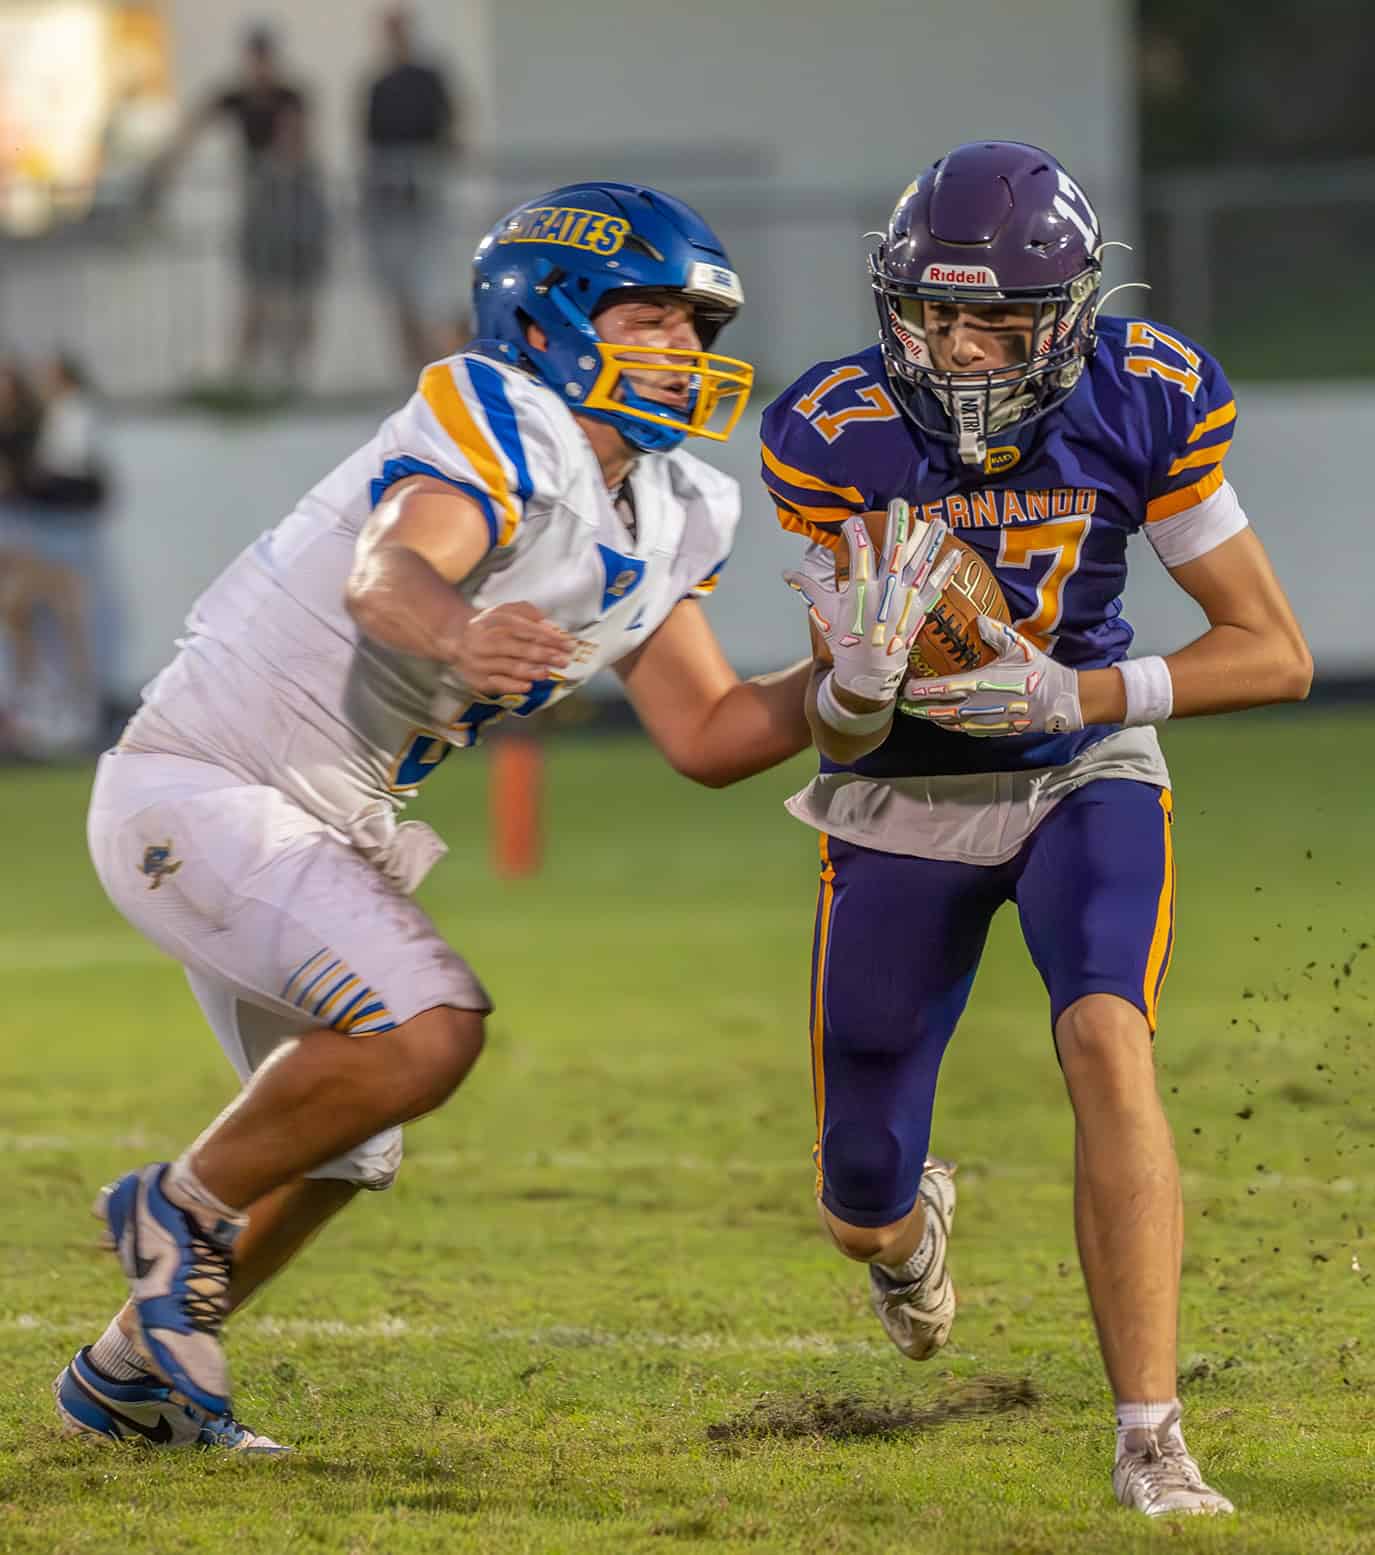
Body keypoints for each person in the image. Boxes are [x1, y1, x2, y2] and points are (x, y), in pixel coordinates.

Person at [54, 182, 811, 1451]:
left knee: (351, 1142)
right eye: (646, 315)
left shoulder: (674, 506)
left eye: (694, 324)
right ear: (548, 319)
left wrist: (860, 682)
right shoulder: (504, 420)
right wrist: (461, 628)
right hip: (203, 784)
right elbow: (385, 570)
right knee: (427, 1027)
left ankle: (126, 1376)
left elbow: (711, 732)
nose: (681, 348)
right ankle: (172, 1208)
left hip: (316, 818)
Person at [764, 141, 1312, 1518]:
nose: (957, 345)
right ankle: (908, 1233)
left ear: (1065, 312)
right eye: (934, 312)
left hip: (1082, 764)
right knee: (857, 1198)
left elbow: (1273, 652)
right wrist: (846, 686)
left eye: (996, 317)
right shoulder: (833, 430)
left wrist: (1083, 687)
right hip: (899, 791)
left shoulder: (1142, 395)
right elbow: (830, 734)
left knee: (1101, 1033)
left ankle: (1148, 1435)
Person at [141, 26, 311, 386]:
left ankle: (288, 372)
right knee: (256, 289)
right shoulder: (237, 97)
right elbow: (194, 126)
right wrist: (163, 169)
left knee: (290, 293)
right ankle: (248, 372)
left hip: (290, 203)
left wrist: (275, 166)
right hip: (260, 203)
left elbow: (297, 142)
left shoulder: (289, 97)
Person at [361, 6, 464, 377]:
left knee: (431, 290)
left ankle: (439, 366)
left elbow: (452, 125)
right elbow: (370, 144)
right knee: (399, 292)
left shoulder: (428, 78)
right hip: (389, 203)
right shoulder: (378, 85)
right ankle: (412, 369)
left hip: (425, 197)